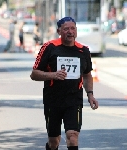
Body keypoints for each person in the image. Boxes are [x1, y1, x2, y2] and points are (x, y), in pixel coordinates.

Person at [30, 17, 98, 150]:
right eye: (66, 29)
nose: (70, 32)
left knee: (72, 137)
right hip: (53, 100)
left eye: (73, 28)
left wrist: (90, 94)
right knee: (54, 141)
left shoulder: (83, 51)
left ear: (76, 31)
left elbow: (87, 75)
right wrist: (53, 75)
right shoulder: (49, 47)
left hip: (74, 100)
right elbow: (34, 74)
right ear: (59, 31)